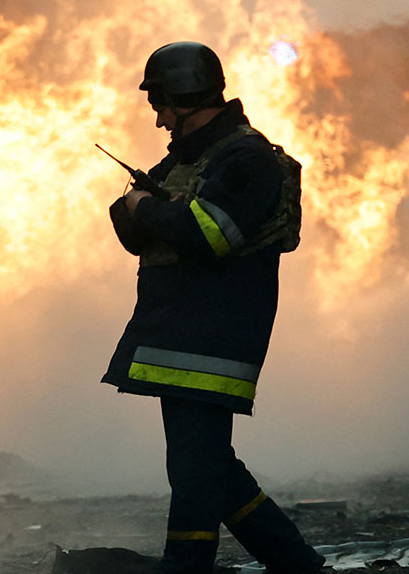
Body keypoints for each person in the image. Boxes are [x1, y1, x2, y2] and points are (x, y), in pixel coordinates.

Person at [104, 41, 322, 574]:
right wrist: (150, 209)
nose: (158, 120)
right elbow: (127, 221)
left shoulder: (246, 159)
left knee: (195, 473)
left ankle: (187, 565)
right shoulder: (192, 156)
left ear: (182, 96)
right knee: (213, 471)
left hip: (211, 342)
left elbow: (210, 236)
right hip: (178, 336)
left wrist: (149, 207)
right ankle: (298, 566)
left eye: (160, 104)